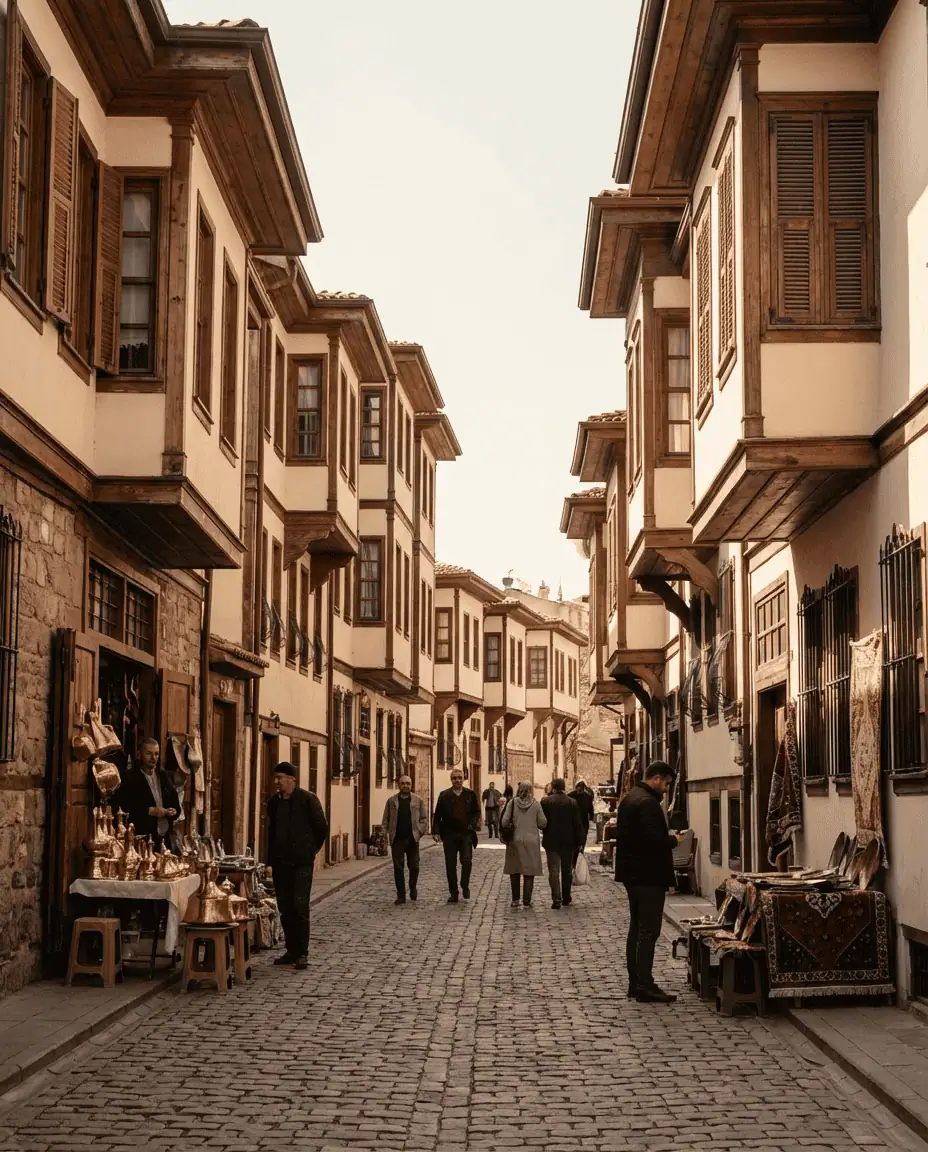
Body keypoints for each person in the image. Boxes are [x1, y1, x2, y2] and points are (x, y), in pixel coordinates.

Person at [615, 760, 687, 1004]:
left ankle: (635, 983)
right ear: (656, 778)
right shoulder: (647, 803)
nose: (666, 789)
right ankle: (644, 984)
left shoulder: (630, 797)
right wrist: (674, 840)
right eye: (666, 783)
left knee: (636, 929)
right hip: (647, 875)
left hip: (633, 875)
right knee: (648, 931)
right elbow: (653, 840)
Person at [266, 762, 329, 970]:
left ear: (292, 780)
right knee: (285, 907)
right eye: (275, 778)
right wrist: (269, 861)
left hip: (302, 863)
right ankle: (290, 949)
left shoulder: (307, 800)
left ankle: (302, 952)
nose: (277, 782)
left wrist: (310, 850)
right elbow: (270, 834)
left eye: (280, 778)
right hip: (281, 863)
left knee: (300, 905)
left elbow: (321, 828)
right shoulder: (274, 803)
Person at [115, 738, 179, 849]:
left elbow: (175, 803)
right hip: (141, 838)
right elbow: (124, 806)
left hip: (164, 838)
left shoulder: (164, 776)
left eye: (156, 754)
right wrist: (150, 811)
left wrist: (173, 811)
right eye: (149, 753)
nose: (153, 758)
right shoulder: (130, 778)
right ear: (140, 755)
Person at [432, 767, 480, 903]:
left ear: (463, 779)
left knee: (467, 861)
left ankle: (465, 885)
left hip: (466, 834)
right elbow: (437, 815)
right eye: (454, 778)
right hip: (449, 834)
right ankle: (453, 892)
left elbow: (477, 812)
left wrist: (473, 823)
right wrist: (435, 831)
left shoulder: (470, 794)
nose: (457, 780)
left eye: (459, 778)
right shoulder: (444, 795)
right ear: (451, 780)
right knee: (450, 865)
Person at [382, 775, 429, 904]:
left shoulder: (417, 800)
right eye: (403, 783)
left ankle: (412, 887)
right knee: (398, 868)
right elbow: (385, 820)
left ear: (411, 784)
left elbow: (424, 820)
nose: (405, 786)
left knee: (414, 866)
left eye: (408, 783)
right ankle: (401, 895)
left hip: (413, 839)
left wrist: (419, 832)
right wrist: (386, 835)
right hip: (397, 839)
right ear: (398, 785)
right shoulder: (392, 801)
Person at [500, 781, 547, 908]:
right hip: (531, 841)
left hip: (515, 840)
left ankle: (515, 900)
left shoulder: (512, 803)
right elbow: (543, 823)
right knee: (529, 871)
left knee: (515, 870)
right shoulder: (536, 805)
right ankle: (527, 900)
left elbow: (504, 822)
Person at [540, 778, 584, 909]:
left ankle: (556, 899)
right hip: (568, 841)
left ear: (553, 787)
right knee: (567, 870)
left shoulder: (546, 802)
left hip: (551, 841)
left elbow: (542, 822)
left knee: (553, 871)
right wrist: (580, 841)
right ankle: (566, 897)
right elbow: (577, 823)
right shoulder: (572, 802)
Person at [569, 778, 596, 864]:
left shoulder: (587, 797)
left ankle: (578, 858)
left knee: (582, 842)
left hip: (583, 823)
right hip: (573, 824)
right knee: (575, 843)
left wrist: (591, 817)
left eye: (581, 789)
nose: (579, 790)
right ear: (576, 787)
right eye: (578, 788)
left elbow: (591, 810)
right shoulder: (570, 796)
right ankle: (574, 860)